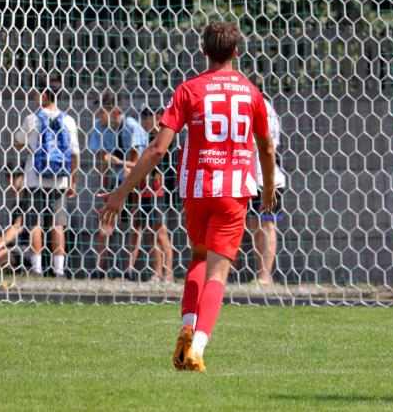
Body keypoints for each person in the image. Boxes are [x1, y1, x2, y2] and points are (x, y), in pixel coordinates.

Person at [98, 21, 276, 373]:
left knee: (198, 257)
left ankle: (186, 326)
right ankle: (197, 347)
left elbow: (157, 148)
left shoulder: (189, 89)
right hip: (234, 192)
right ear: (236, 52)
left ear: (204, 51)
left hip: (197, 189)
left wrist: (121, 191)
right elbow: (267, 148)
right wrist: (268, 185)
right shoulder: (251, 93)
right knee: (218, 273)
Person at [14, 85, 80, 278]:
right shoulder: (68, 120)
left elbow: (17, 141)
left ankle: (37, 268)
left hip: (34, 179)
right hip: (59, 180)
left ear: (44, 94)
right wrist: (73, 181)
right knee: (58, 224)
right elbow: (75, 154)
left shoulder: (32, 119)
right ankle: (59, 269)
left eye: (36, 92)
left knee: (35, 223)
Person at [87, 91, 149, 279]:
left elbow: (137, 164)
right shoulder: (100, 128)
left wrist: (118, 162)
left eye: (102, 112)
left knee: (134, 224)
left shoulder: (131, 126)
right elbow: (102, 162)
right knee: (106, 221)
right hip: (114, 180)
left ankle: (129, 269)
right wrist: (105, 187)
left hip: (134, 181)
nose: (99, 116)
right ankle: (99, 268)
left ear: (114, 112)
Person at [245, 96, 286, 286]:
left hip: (268, 178)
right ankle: (259, 273)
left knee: (267, 225)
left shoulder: (262, 107)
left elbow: (262, 144)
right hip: (251, 178)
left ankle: (265, 276)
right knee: (254, 225)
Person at [135, 107, 174, 282]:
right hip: (145, 192)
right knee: (151, 234)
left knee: (161, 234)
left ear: (157, 118)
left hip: (159, 192)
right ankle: (156, 272)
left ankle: (168, 273)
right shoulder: (144, 138)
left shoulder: (163, 137)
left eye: (147, 118)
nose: (145, 122)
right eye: (143, 119)